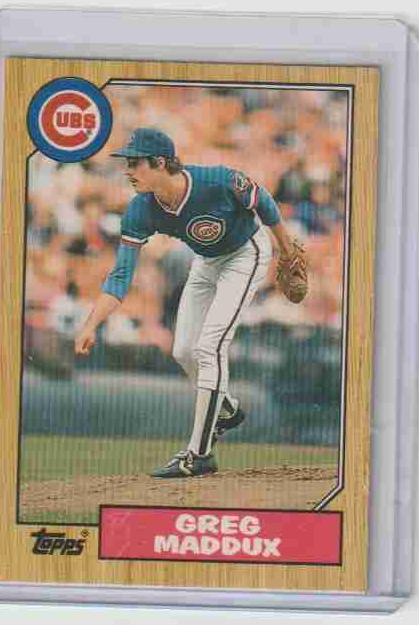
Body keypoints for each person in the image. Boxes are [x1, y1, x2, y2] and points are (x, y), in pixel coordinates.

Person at [75, 127, 301, 478]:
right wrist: (91, 324)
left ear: (159, 162)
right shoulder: (140, 210)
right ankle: (227, 410)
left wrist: (287, 249)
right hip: (207, 261)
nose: (128, 170)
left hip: (247, 253)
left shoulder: (216, 180)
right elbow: (121, 275)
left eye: (135, 163)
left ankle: (199, 455)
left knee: (209, 348)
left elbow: (264, 201)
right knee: (183, 350)